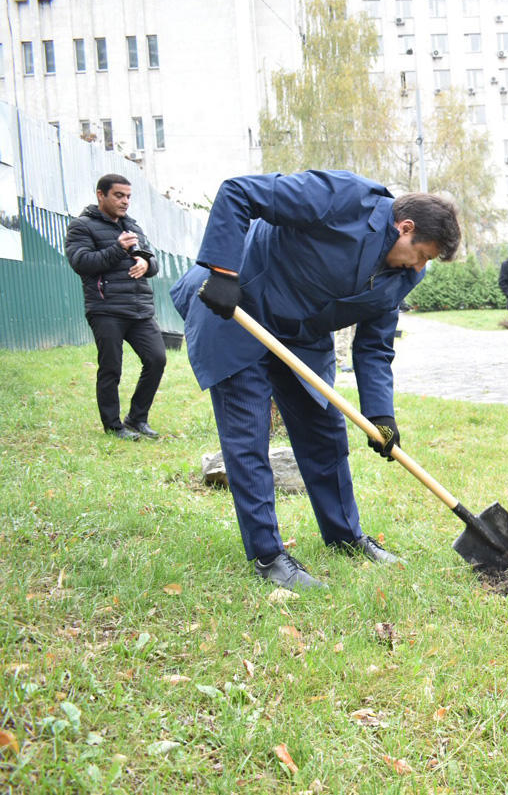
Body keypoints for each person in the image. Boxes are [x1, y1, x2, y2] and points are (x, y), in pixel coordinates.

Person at [169, 170, 461, 590]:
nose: (420, 266)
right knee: (249, 437)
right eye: (422, 255)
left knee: (324, 432)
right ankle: (268, 557)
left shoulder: (404, 275)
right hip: (237, 309)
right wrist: (222, 272)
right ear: (405, 227)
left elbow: (374, 347)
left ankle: (345, 536)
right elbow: (238, 193)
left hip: (299, 336)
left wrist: (381, 416)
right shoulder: (344, 199)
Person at [66, 173, 167, 441]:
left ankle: (136, 418)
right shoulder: (81, 226)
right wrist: (117, 249)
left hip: (139, 308)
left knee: (157, 359)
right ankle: (113, 427)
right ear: (101, 195)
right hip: (106, 308)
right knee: (111, 367)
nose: (125, 202)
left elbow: (151, 260)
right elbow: (82, 262)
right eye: (119, 196)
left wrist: (147, 264)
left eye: (128, 196)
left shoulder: (132, 226)